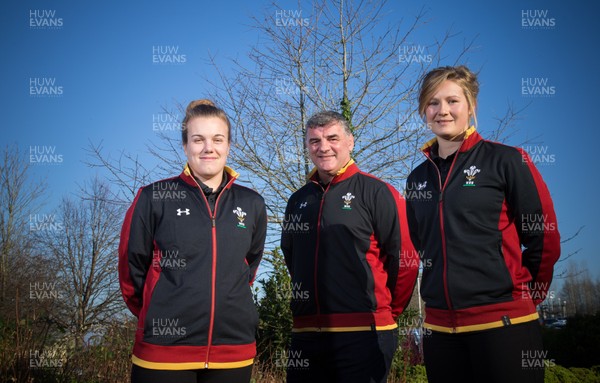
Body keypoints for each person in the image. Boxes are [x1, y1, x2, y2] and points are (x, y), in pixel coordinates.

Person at [405, 65, 561, 383]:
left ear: (471, 106)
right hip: (440, 331)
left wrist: (528, 295)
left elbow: (543, 237)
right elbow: (421, 244)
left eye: (452, 101)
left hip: (504, 325)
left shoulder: (507, 160)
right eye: (433, 103)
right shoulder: (416, 179)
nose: (442, 110)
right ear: (423, 111)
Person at [118, 99, 267, 383]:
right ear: (185, 146)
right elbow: (131, 267)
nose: (208, 148)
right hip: (163, 352)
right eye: (198, 139)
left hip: (233, 350)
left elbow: (248, 266)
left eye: (217, 139)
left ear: (229, 145)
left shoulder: (252, 203)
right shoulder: (154, 197)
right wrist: (157, 310)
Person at [281, 111, 419, 383]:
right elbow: (293, 258)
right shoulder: (297, 200)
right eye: (314, 141)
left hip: (365, 332)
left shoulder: (378, 192)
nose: (323, 147)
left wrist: (388, 311)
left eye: (333, 138)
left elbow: (405, 259)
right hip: (306, 335)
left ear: (350, 142)